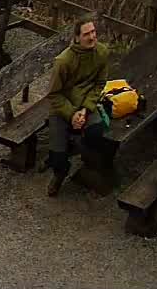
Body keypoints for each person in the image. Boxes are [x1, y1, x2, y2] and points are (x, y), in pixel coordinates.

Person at [45, 14, 112, 196]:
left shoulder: (102, 53)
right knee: (57, 155)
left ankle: (89, 168)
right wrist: (72, 114)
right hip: (63, 106)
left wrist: (84, 109)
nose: (92, 37)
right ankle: (60, 173)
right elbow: (53, 94)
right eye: (86, 34)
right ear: (76, 38)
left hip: (86, 104)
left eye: (93, 32)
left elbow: (99, 84)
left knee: (97, 133)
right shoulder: (63, 61)